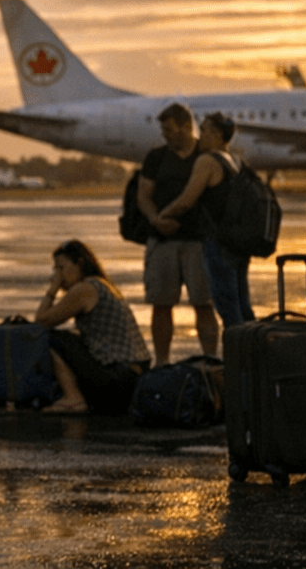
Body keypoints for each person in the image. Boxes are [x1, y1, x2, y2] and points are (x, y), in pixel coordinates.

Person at [135, 102, 219, 365]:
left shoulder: (206, 156)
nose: (165, 135)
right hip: (163, 242)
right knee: (161, 305)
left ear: (186, 127)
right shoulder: (156, 157)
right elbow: (143, 196)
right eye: (163, 130)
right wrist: (156, 220)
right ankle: (162, 362)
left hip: (199, 242)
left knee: (204, 304)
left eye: (169, 129)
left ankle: (210, 360)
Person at [157, 112, 256, 329]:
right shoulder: (236, 161)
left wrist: (162, 216)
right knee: (243, 305)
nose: (199, 136)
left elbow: (186, 200)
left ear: (216, 134)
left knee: (228, 307)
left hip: (219, 243)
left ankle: (238, 358)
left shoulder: (207, 161)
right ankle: (254, 355)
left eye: (203, 130)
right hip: (239, 242)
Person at [34, 239, 152, 415]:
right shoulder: (102, 284)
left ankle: (73, 398)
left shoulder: (85, 289)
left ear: (79, 263)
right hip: (132, 377)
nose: (57, 274)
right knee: (70, 337)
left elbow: (41, 322)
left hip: (119, 379)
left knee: (48, 338)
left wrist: (52, 289)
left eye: (60, 268)